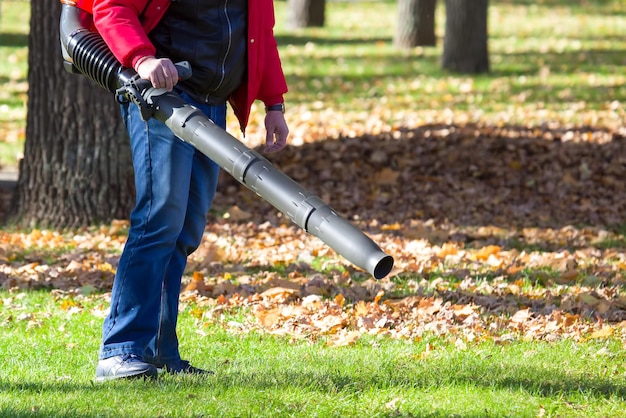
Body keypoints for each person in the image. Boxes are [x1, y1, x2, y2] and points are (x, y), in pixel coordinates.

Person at [90, 0, 289, 381]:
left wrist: (274, 102)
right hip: (161, 100)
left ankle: (159, 352)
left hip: (212, 105)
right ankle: (120, 350)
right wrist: (143, 59)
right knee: (159, 217)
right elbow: (111, 7)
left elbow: (260, 33)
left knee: (184, 229)